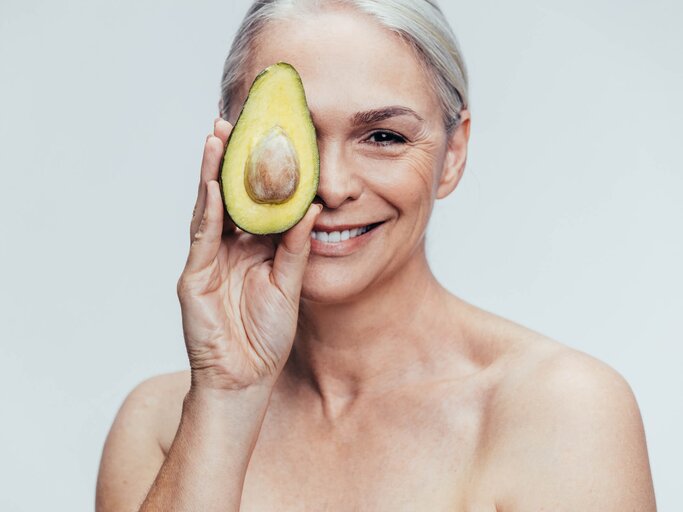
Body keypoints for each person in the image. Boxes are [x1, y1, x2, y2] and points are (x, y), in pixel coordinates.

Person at [96, 1, 657, 510]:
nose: (334, 186)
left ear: (454, 153)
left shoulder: (562, 411)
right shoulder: (161, 423)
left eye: (384, 136)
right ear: (230, 146)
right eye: (294, 136)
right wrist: (226, 394)